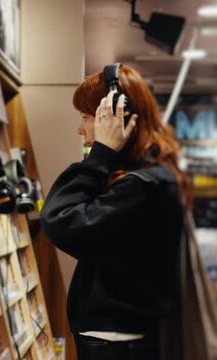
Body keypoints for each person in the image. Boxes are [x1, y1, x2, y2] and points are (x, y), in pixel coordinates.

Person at [39, 64, 193, 360]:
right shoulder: (148, 177)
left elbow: (60, 220)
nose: (80, 128)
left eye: (86, 117)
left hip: (118, 345)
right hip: (121, 340)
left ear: (115, 116)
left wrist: (101, 153)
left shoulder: (142, 186)